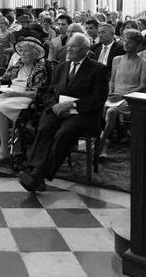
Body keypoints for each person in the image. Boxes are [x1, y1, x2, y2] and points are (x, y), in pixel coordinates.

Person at [17, 34, 108, 192]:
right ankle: (33, 170)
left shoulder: (98, 69)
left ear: (86, 50)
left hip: (83, 114)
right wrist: (55, 105)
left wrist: (72, 105)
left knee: (64, 133)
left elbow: (98, 99)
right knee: (45, 128)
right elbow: (50, 93)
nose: (70, 48)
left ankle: (39, 175)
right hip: (58, 109)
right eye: (69, 45)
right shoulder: (61, 67)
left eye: (75, 46)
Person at [0, 37, 49, 162]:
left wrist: (17, 94)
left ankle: (4, 150)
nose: (22, 54)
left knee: (1, 109)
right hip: (10, 93)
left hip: (25, 97)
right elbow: (5, 77)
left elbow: (37, 93)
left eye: (26, 51)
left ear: (35, 54)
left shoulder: (40, 69)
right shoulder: (19, 64)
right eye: (21, 51)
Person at [97, 29, 146, 158]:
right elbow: (112, 79)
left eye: (130, 42)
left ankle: (102, 142)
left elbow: (142, 86)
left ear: (138, 45)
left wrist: (123, 95)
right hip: (115, 96)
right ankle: (100, 142)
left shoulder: (144, 63)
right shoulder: (117, 59)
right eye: (125, 40)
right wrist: (110, 92)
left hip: (130, 99)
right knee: (99, 106)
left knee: (110, 111)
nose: (126, 44)